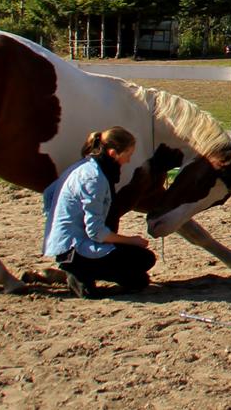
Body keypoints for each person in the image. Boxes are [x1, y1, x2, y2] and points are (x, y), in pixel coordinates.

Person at [42, 126, 155, 298]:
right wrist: (131, 241)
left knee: (138, 275)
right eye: (128, 154)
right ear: (113, 153)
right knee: (143, 259)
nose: (129, 160)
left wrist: (57, 224)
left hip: (66, 244)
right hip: (75, 248)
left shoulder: (84, 166)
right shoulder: (95, 178)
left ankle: (75, 271)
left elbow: (49, 194)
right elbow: (96, 232)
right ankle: (78, 272)